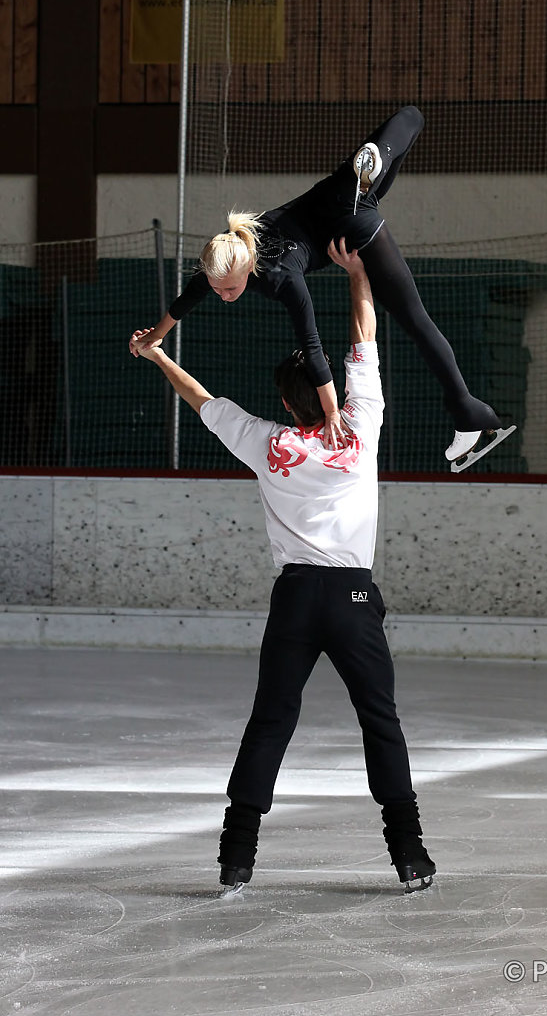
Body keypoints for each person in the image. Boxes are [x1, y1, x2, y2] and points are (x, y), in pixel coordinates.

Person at [132, 237, 436, 895]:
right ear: (321, 395)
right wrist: (357, 274)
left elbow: (202, 400)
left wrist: (156, 353)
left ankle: (235, 858)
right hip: (353, 601)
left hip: (296, 598)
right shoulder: (359, 426)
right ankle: (408, 855)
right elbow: (362, 339)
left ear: (285, 402)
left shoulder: (267, 444)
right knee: (378, 721)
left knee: (271, 721)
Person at [130, 105, 514, 470]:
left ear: (248, 269)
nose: (222, 295)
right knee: (411, 117)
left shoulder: (281, 278)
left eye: (229, 290)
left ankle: (466, 411)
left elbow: (312, 347)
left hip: (350, 230)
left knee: (414, 318)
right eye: (217, 289)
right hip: (339, 189)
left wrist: (332, 414)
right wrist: (157, 336)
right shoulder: (228, 250)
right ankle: (375, 158)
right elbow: (191, 295)